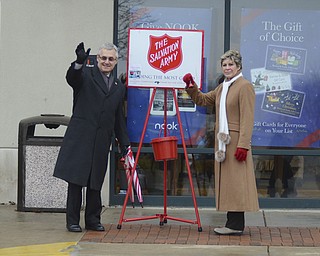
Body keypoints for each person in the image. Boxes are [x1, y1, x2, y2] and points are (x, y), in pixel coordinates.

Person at [54, 42, 130, 232]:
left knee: (95, 181)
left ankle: (93, 220)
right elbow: (72, 78)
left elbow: (118, 118)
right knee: (76, 181)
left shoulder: (119, 87)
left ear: (116, 61)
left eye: (110, 59)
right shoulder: (85, 75)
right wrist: (78, 62)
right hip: (80, 137)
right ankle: (72, 220)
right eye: (103, 58)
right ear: (97, 59)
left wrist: (125, 145)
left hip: (101, 141)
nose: (106, 61)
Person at [183, 49, 259, 235]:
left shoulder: (244, 86)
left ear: (239, 66)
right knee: (228, 183)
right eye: (224, 65)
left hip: (235, 141)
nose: (227, 68)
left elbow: (247, 118)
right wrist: (191, 86)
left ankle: (234, 225)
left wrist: (243, 145)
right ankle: (233, 224)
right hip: (223, 142)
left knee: (236, 183)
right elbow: (202, 100)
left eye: (230, 64)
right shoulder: (223, 87)